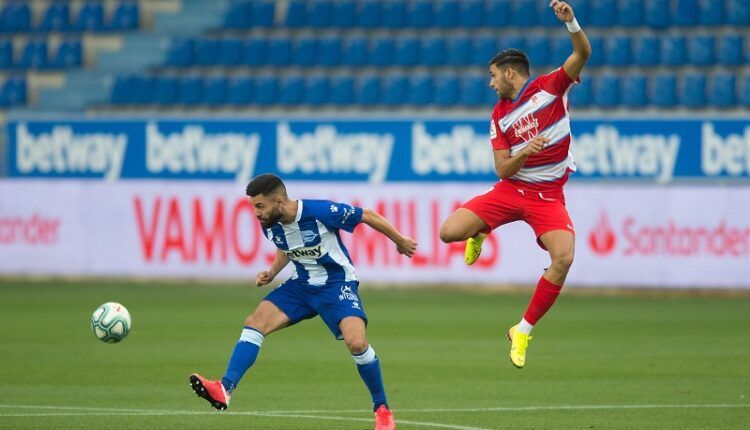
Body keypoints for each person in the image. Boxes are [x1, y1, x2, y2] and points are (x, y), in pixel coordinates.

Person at [190, 173, 417, 430]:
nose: (256, 213)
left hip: (336, 284)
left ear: (279, 200)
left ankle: (382, 409)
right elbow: (287, 245)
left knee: (357, 343)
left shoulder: (320, 211)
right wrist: (273, 272)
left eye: (260, 206)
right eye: (253, 206)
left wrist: (400, 240)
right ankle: (224, 388)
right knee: (255, 322)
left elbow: (367, 214)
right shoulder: (269, 222)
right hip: (301, 286)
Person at [439, 0, 591, 369]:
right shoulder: (499, 115)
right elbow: (503, 170)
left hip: (548, 196)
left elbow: (583, 52)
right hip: (512, 190)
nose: (490, 84)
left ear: (509, 73)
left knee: (564, 258)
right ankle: (481, 229)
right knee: (448, 233)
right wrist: (525, 150)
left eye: (492, 76)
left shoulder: (550, 87)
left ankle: (522, 329)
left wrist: (571, 22)